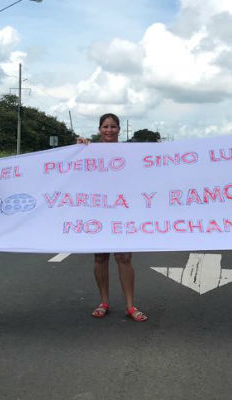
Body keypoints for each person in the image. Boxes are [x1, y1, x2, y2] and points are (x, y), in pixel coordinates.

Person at [89, 113, 148, 322]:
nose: (109, 130)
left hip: (123, 210)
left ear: (119, 130)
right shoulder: (88, 151)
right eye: (105, 126)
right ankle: (103, 302)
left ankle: (130, 306)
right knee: (100, 257)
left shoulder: (129, 152)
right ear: (99, 129)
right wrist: (79, 147)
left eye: (113, 126)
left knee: (124, 257)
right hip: (98, 211)